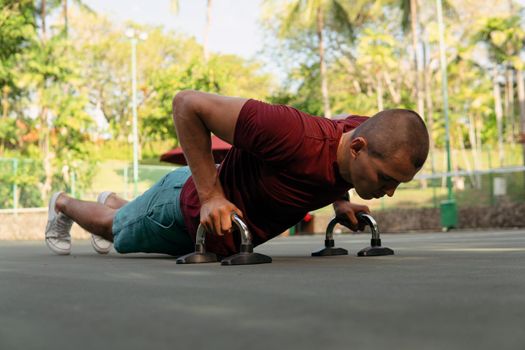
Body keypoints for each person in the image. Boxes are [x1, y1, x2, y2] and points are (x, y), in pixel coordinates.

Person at [44, 91, 429, 257]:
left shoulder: (360, 138)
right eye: (385, 179)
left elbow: (326, 167)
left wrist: (339, 199)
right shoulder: (290, 132)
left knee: (125, 214)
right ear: (358, 147)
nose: (390, 192)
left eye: (397, 183)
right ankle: (62, 204)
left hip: (214, 225)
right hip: (183, 210)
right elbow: (187, 104)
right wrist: (211, 196)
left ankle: (115, 201)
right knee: (113, 230)